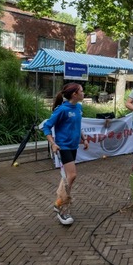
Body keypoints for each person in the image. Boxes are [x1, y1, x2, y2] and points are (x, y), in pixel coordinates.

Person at [42, 83, 89, 225]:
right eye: (81, 91)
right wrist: (53, 143)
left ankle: (60, 202)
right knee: (72, 175)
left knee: (68, 177)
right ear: (74, 94)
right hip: (63, 146)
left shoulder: (79, 108)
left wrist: (84, 138)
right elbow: (46, 126)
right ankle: (61, 206)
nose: (83, 93)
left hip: (73, 145)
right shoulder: (62, 110)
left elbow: (77, 125)